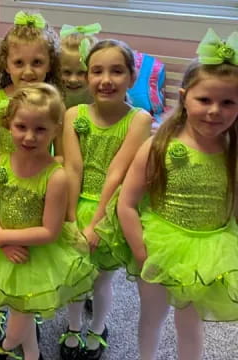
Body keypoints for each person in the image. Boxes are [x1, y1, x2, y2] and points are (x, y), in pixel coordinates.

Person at [0, 83, 96, 360]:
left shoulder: (56, 176)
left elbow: (50, 231)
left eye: (40, 129)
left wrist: (4, 238)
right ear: (8, 125)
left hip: (37, 254)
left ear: (55, 130)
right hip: (5, 247)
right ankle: (32, 355)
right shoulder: (0, 165)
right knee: (20, 308)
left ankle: (6, 345)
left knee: (18, 320)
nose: (29, 137)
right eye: (21, 127)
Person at [116, 28, 238, 360]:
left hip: (209, 250)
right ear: (184, 97)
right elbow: (126, 203)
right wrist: (142, 254)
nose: (215, 110)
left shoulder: (233, 150)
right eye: (205, 100)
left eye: (228, 102)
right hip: (160, 246)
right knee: (152, 317)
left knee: (191, 323)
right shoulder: (160, 145)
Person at [60, 39, 152, 360]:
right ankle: (72, 327)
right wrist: (70, 220)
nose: (106, 80)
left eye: (116, 71)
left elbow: (117, 173)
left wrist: (97, 224)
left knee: (100, 281)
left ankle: (98, 328)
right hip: (74, 204)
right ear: (87, 77)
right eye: (97, 71)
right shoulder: (73, 114)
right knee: (73, 275)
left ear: (131, 76)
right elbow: (72, 167)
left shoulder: (139, 119)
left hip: (113, 208)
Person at [0, 11, 63, 168]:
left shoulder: (55, 105)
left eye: (37, 62)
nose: (28, 71)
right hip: (2, 176)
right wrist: (6, 169)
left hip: (39, 177)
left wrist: (41, 171)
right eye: (19, 63)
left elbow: (60, 156)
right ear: (6, 65)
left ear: (50, 64)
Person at [59, 23, 100, 109]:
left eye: (81, 72)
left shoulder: (100, 95)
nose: (73, 80)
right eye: (66, 72)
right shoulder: (53, 94)